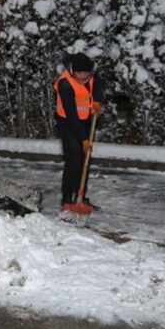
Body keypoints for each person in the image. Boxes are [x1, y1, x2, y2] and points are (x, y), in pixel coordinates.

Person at [53, 52, 103, 211]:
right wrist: (84, 139)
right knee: (73, 157)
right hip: (67, 122)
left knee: (85, 159)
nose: (83, 77)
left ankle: (80, 196)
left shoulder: (91, 76)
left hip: (86, 120)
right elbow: (72, 115)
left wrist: (96, 100)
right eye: (80, 73)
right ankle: (67, 198)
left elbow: (97, 85)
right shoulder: (65, 84)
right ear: (73, 70)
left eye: (86, 73)